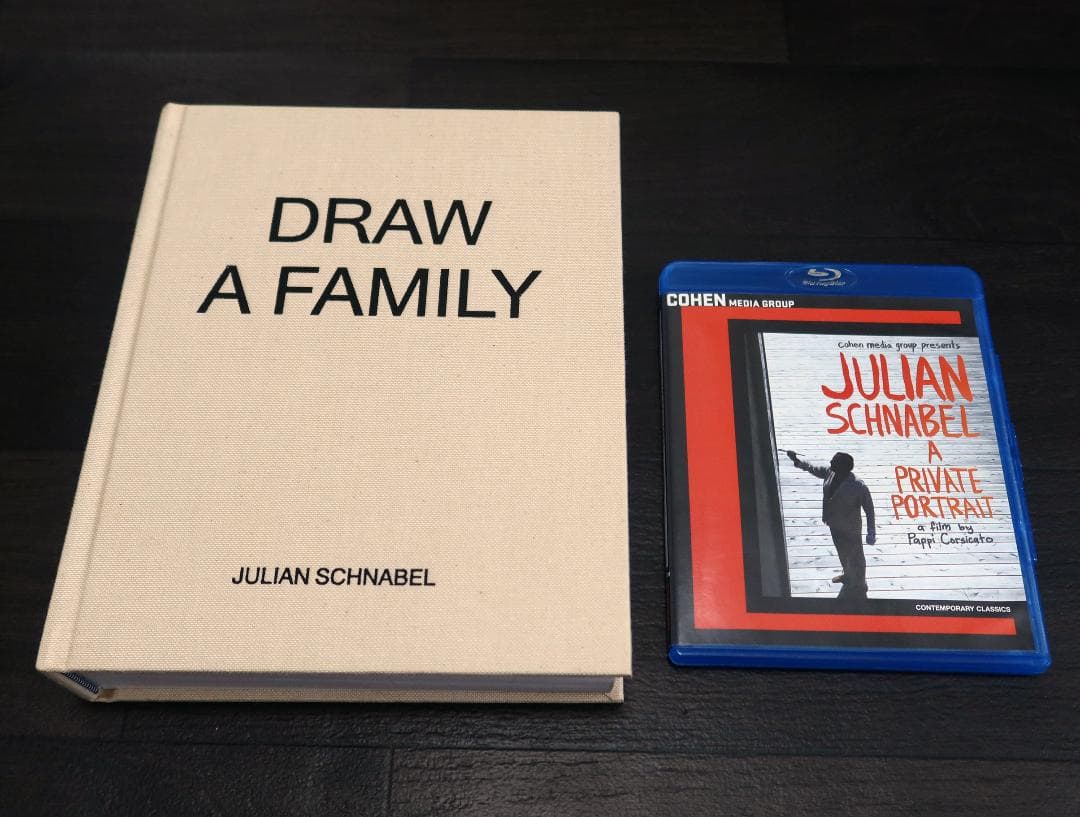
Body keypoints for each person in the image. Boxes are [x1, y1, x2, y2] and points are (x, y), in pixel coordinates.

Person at [786, 450, 876, 602]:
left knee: (856, 557)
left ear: (843, 467)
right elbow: (813, 468)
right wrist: (797, 461)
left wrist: (871, 532)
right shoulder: (830, 473)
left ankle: (860, 586)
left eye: (834, 461)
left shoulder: (858, 486)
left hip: (850, 528)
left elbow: (869, 509)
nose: (830, 462)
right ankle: (848, 575)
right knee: (842, 553)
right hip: (834, 524)